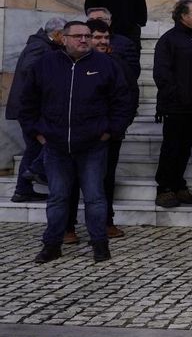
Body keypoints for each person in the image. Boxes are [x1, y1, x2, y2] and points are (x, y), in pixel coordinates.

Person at [20, 20, 135, 264]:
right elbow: (27, 101)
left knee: (95, 197)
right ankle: (52, 245)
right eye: (78, 36)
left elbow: (122, 101)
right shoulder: (45, 64)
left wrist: (110, 131)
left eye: (87, 36)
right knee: (58, 198)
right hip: (56, 146)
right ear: (63, 38)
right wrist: (38, 133)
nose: (84, 40)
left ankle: (100, 245)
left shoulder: (105, 65)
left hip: (93, 145)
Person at [61, 21, 137, 242]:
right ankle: (68, 227)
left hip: (107, 135)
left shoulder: (117, 64)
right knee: (71, 181)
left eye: (106, 38)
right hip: (72, 134)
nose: (102, 42)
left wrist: (116, 128)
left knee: (105, 179)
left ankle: (106, 222)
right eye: (97, 37)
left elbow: (129, 97)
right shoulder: (67, 64)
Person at [152, 0, 192, 209]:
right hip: (176, 107)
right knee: (172, 148)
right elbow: (162, 74)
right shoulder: (168, 41)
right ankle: (164, 188)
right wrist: (176, 97)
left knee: (185, 148)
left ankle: (178, 184)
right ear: (183, 16)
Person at [6, 17, 65, 203]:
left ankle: (22, 189)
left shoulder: (42, 45)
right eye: (65, 35)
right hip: (30, 108)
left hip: (29, 107)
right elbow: (29, 69)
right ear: (56, 34)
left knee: (33, 146)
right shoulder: (40, 47)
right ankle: (34, 173)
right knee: (39, 145)